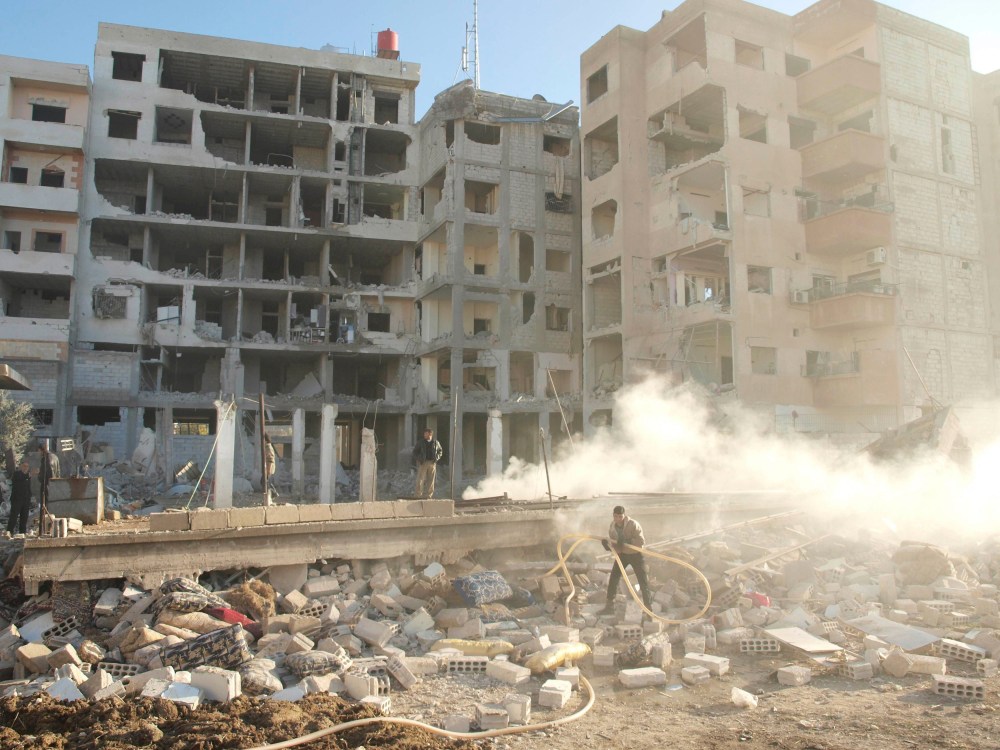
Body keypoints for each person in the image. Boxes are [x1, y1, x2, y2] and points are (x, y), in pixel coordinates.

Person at [601, 505, 653, 616]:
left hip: (635, 555)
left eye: (620, 516)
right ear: (613, 516)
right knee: (613, 578)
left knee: (643, 581)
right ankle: (609, 607)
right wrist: (607, 545)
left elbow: (641, 541)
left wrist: (627, 541)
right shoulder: (612, 526)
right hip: (622, 555)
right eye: (616, 516)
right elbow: (613, 543)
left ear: (624, 516)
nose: (618, 519)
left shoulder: (633, 524)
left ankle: (648, 610)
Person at [412, 427, 443, 499]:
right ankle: (418, 495)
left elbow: (440, 451)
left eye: (426, 434)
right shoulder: (421, 442)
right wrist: (419, 459)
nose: (424, 435)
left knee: (431, 480)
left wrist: (437, 458)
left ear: (430, 434)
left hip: (432, 463)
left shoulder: (436, 442)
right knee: (420, 479)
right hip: (423, 463)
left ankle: (428, 496)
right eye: (424, 434)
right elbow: (414, 452)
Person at [6, 460, 32, 536]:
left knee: (24, 517)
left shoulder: (28, 475)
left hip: (26, 499)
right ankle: (9, 532)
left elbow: (28, 487)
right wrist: (28, 475)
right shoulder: (17, 474)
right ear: (20, 466)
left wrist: (29, 496)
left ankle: (22, 533)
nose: (25, 468)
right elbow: (19, 480)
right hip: (17, 499)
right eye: (24, 466)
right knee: (13, 517)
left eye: (27, 466)